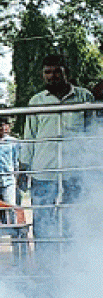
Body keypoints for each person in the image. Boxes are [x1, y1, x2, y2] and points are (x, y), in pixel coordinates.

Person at [21, 54, 94, 247]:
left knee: (75, 221)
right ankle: (46, 268)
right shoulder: (36, 101)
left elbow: (92, 133)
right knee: (43, 224)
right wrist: (23, 167)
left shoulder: (84, 97)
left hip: (74, 172)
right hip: (44, 172)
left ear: (66, 73)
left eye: (57, 71)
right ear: (42, 75)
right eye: (48, 72)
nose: (52, 76)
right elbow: (30, 136)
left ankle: (74, 268)